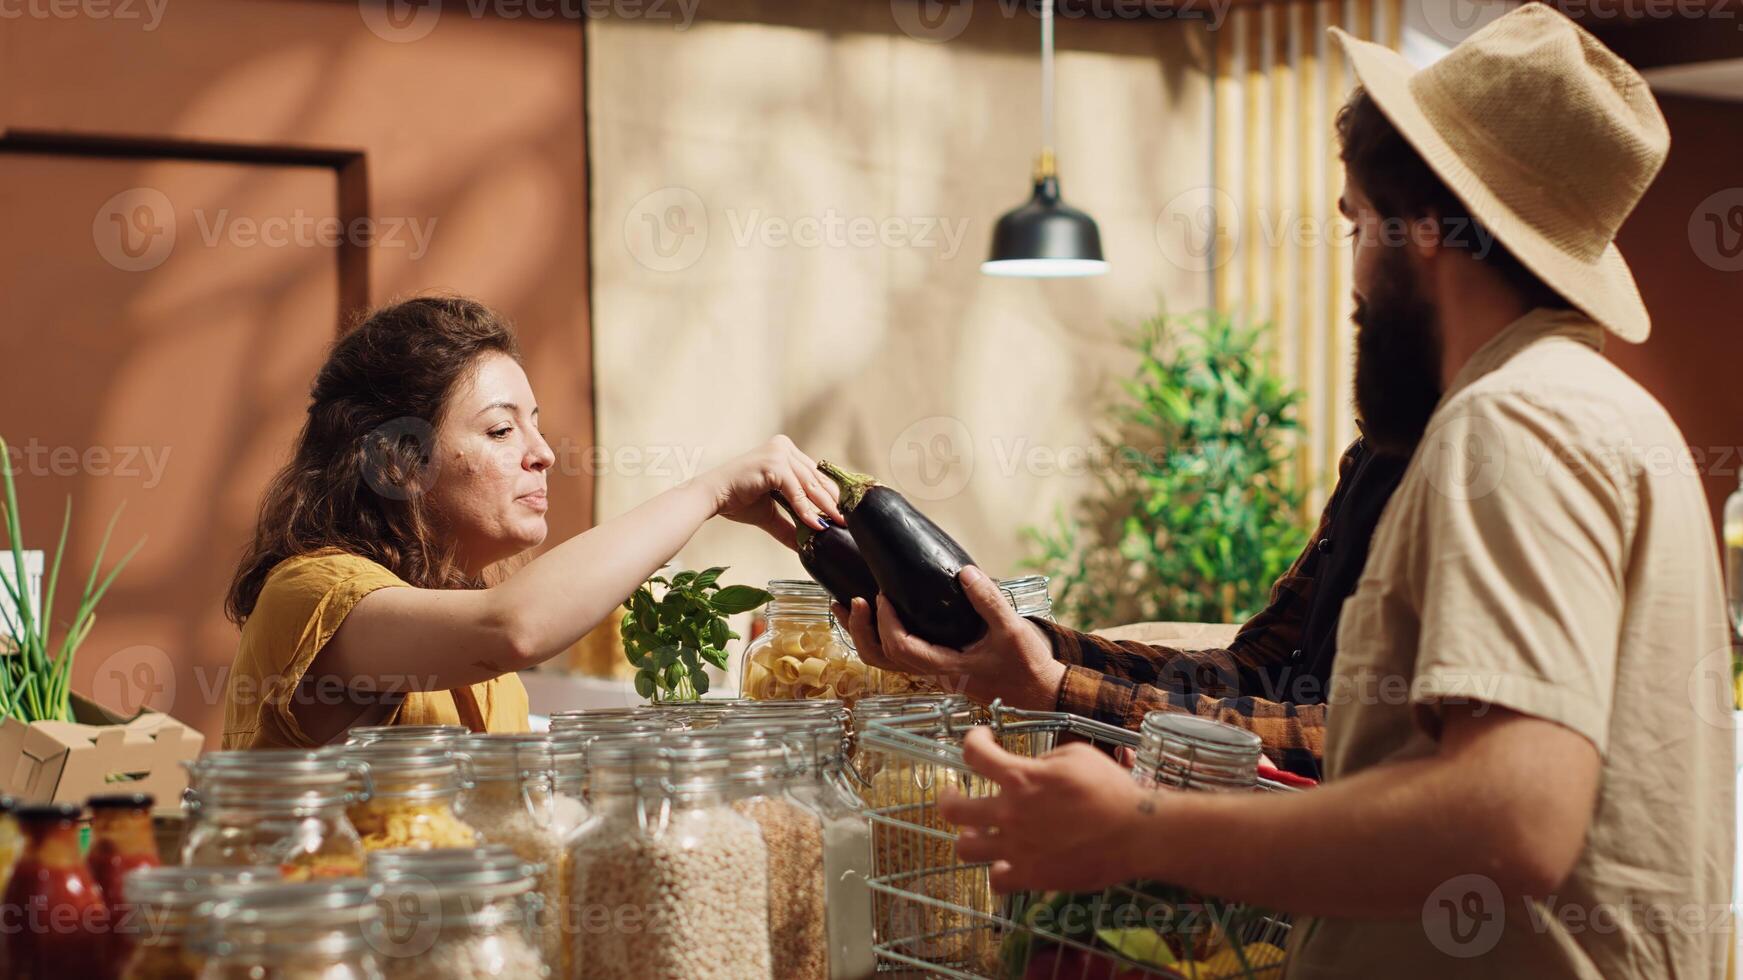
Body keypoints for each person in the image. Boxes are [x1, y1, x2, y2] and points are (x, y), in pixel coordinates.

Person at [937, 7, 1734, 977]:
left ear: (1428, 227)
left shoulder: (1510, 423)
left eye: (1358, 222)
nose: (1353, 272)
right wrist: (1054, 673)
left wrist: (1141, 830)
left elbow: (1514, 812)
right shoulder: (1603, 411)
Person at [221, 296, 841, 749]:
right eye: (499, 429)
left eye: (535, 423)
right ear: (398, 462)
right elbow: (513, 628)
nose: (542, 453)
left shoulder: (459, 611)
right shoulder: (309, 595)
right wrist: (710, 490)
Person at [842, 437, 1407, 778]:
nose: (1357, 265)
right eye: (1354, 231)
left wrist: (1057, 691)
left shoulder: (1467, 460)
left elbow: (1362, 741)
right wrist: (1042, 649)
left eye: (1368, 233)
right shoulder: (1376, 452)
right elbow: (1261, 668)